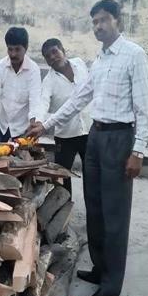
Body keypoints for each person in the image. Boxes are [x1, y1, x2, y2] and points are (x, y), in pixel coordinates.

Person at [27, 0, 148, 296]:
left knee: (115, 213)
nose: (98, 26)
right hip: (95, 136)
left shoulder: (134, 55)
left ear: (117, 21)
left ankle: (112, 283)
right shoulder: (100, 60)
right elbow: (78, 99)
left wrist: (138, 150)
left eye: (104, 20)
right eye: (94, 22)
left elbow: (144, 107)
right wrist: (46, 125)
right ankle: (99, 267)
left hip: (119, 138)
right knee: (95, 208)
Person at [39, 38, 91, 197]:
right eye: (48, 56)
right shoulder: (48, 82)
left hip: (89, 130)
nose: (53, 57)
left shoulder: (80, 64)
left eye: (55, 52)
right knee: (62, 177)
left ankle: (93, 216)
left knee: (91, 175)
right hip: (65, 136)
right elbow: (43, 103)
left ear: (63, 50)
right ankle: (63, 211)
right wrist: (39, 122)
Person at [0, 27, 41, 142]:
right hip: (1, 124)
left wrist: (33, 126)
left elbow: (34, 102)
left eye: (17, 49)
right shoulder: (0, 66)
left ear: (26, 48)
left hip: (22, 128)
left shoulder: (33, 70)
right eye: (10, 49)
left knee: (20, 158)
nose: (13, 54)